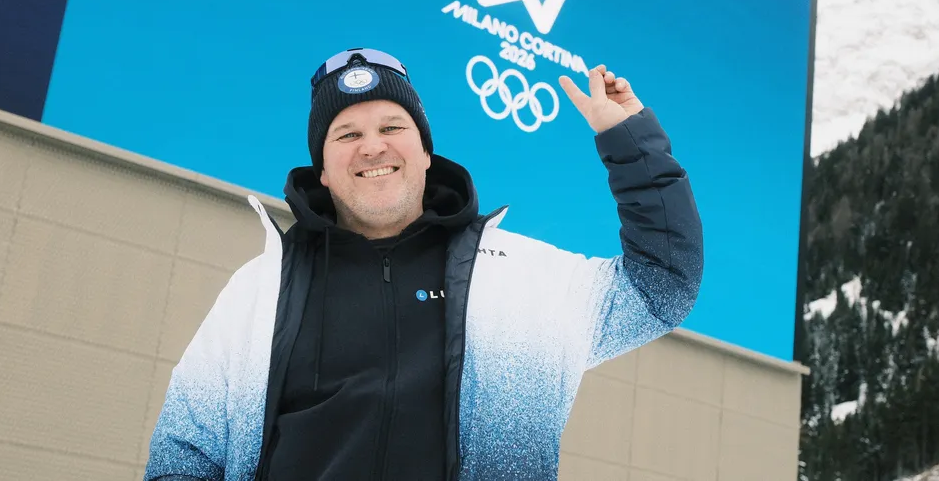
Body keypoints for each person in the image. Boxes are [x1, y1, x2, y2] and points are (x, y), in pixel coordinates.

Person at [143, 47, 704, 481]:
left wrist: (630, 139)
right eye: (348, 135)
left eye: (392, 128)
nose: (372, 147)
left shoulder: (515, 277)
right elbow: (185, 452)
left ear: (425, 152)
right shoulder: (262, 288)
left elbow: (661, 285)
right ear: (322, 170)